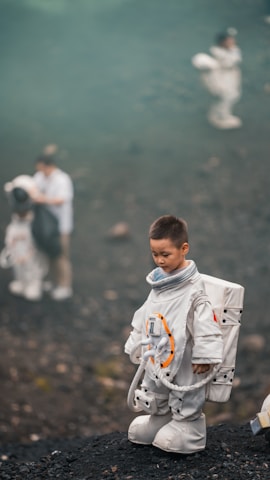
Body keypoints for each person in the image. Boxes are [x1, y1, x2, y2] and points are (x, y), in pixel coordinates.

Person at [124, 215, 223, 454]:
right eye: (154, 254)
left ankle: (189, 427)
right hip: (158, 351)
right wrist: (136, 341)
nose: (159, 260)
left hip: (185, 354)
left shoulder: (193, 290)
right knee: (155, 385)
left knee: (184, 388)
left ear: (184, 248)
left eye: (165, 254)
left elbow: (205, 323)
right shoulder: (159, 285)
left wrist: (204, 355)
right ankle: (160, 418)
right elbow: (145, 313)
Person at [32, 154, 74, 301]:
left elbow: (62, 199)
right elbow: (33, 189)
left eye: (43, 169)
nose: (41, 172)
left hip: (61, 226)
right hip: (45, 224)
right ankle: (52, 281)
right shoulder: (40, 176)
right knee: (48, 253)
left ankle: (65, 286)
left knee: (61, 255)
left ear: (49, 166)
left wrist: (43, 199)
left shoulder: (62, 179)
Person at [0, 175, 48, 301]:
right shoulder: (16, 188)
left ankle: (33, 284)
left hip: (29, 224)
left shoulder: (30, 189)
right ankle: (21, 282)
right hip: (17, 224)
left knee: (32, 262)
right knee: (18, 263)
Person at [192, 29, 242, 129]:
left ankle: (218, 115)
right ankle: (221, 118)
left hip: (230, 78)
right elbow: (201, 63)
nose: (232, 41)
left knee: (231, 96)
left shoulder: (232, 50)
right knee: (226, 97)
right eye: (229, 40)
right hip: (221, 80)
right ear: (222, 42)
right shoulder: (216, 54)